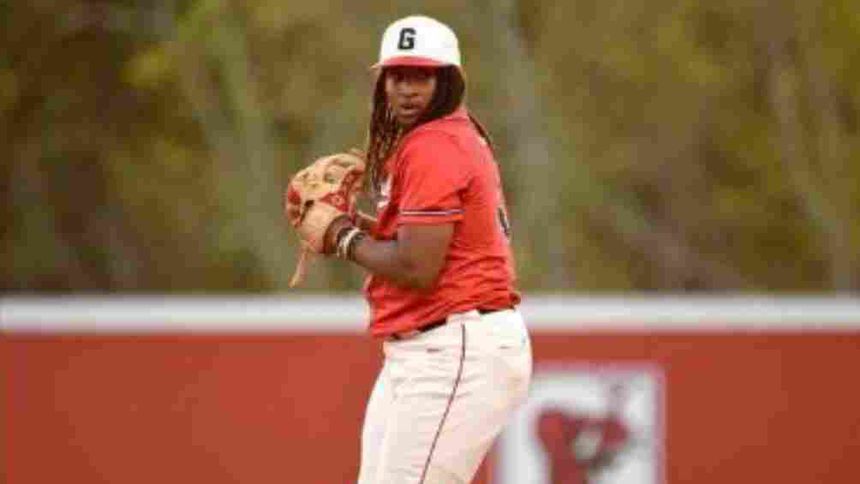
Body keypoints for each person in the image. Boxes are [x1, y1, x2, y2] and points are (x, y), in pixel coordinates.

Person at [323, 14, 532, 483]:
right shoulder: (442, 138)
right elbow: (417, 242)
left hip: (455, 346)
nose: (405, 89)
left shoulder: (435, 146)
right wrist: (350, 224)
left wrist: (341, 236)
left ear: (448, 81)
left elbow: (418, 267)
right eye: (396, 75)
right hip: (434, 346)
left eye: (421, 75)